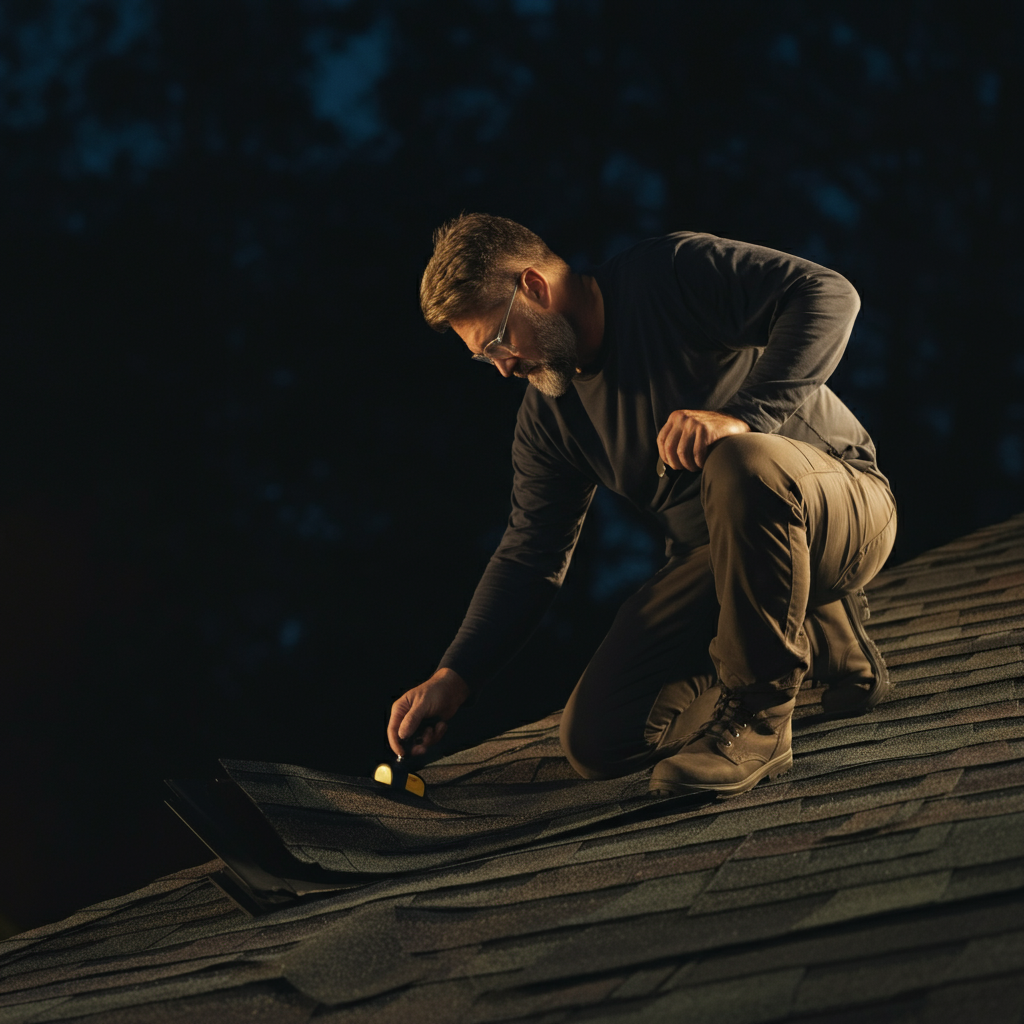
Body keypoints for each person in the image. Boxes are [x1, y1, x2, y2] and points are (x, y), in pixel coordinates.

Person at [387, 213, 897, 797]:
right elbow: (530, 555)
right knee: (598, 741)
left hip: (843, 507)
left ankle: (759, 720)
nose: (502, 367)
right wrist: (456, 676)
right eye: (485, 358)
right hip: (720, 561)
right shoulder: (549, 419)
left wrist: (743, 419)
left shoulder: (669, 274)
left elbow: (830, 293)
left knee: (740, 462)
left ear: (532, 287)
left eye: (498, 341)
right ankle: (808, 621)